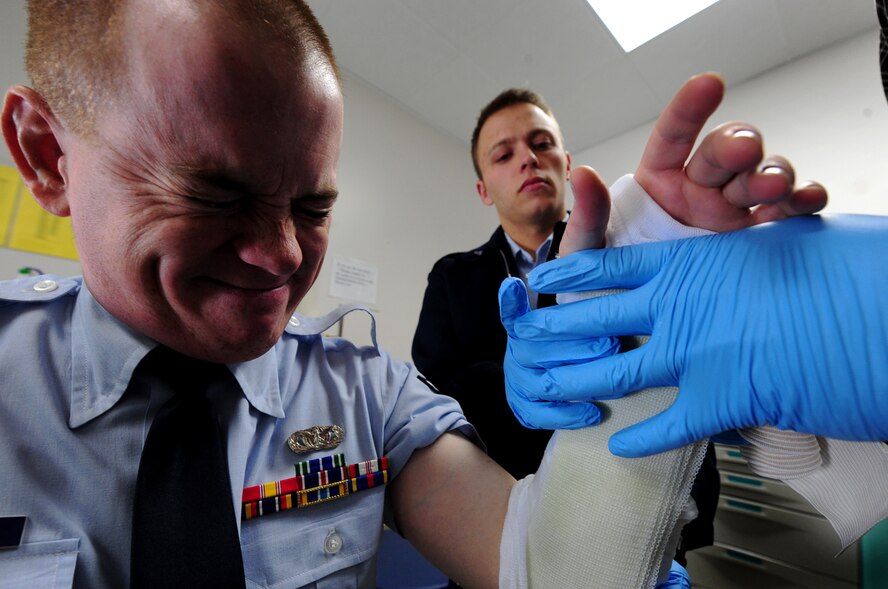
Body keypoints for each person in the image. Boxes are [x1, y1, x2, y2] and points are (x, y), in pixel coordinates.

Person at [0, 2, 820, 588]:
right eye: (213, 194)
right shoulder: (457, 284)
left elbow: (558, 569)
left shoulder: (365, 392)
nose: (283, 254)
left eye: (313, 207)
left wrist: (644, 347)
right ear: (44, 155)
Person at [412, 75, 826, 563]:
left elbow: (683, 357)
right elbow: (438, 385)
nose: (528, 158)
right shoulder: (452, 277)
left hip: (645, 511)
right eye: (504, 155)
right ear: (484, 189)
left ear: (565, 165)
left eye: (542, 144)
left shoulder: (631, 245)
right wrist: (512, 377)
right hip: (501, 519)